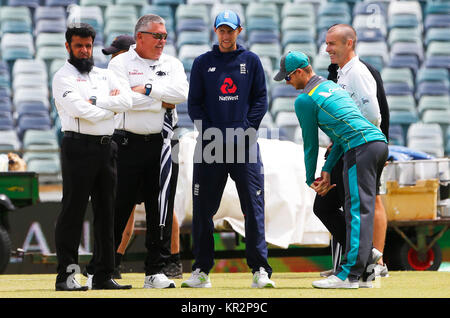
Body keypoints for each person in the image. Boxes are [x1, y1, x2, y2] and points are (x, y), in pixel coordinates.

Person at [274, 51, 388, 289]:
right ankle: (366, 267)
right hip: (375, 144)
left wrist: (309, 178)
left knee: (356, 211)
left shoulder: (305, 100)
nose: (287, 83)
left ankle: (350, 274)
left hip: (360, 147)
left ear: (299, 72)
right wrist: (327, 168)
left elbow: (310, 144)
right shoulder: (332, 88)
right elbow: (339, 137)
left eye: (288, 77)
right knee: (348, 208)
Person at [182, 10, 275, 289]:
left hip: (244, 146)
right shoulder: (202, 63)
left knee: (253, 208)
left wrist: (246, 130)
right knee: (202, 210)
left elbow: (261, 99)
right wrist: (210, 132)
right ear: (215, 31)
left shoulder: (251, 61)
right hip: (210, 146)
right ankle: (201, 270)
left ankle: (260, 269)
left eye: (230, 30)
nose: (225, 35)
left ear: (239, 31)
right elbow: (194, 104)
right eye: (221, 30)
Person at [107, 14, 189, 289]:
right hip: (127, 144)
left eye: (165, 36)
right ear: (140, 36)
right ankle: (104, 269)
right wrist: (160, 98)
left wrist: (148, 88)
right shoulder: (119, 63)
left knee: (160, 211)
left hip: (164, 144)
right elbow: (123, 101)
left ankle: (156, 270)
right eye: (157, 36)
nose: (162, 41)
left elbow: (181, 94)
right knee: (118, 210)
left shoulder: (173, 63)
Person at [52, 23, 132, 291]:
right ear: (68, 47)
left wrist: (96, 104)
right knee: (73, 212)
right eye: (78, 45)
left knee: (107, 213)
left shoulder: (103, 74)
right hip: (77, 147)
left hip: (106, 147)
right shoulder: (62, 77)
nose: (84, 50)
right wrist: (108, 109)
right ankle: (67, 276)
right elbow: (77, 109)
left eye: (87, 45)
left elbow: (127, 102)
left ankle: (102, 275)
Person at [314, 24, 390, 278]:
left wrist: (361, 137)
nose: (327, 49)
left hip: (361, 146)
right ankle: (364, 258)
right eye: (326, 43)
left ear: (349, 44)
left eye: (332, 44)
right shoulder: (341, 73)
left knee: (362, 205)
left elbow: (375, 114)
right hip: (351, 147)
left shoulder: (358, 72)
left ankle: (360, 267)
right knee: (346, 205)